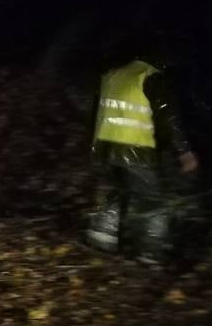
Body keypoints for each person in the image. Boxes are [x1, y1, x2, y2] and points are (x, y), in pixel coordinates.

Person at [85, 54, 199, 265]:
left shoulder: (113, 74)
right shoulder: (151, 77)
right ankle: (150, 252)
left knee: (119, 191)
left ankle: (101, 236)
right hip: (136, 148)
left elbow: (95, 112)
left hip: (105, 148)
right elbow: (168, 115)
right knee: (154, 203)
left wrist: (92, 148)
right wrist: (184, 151)